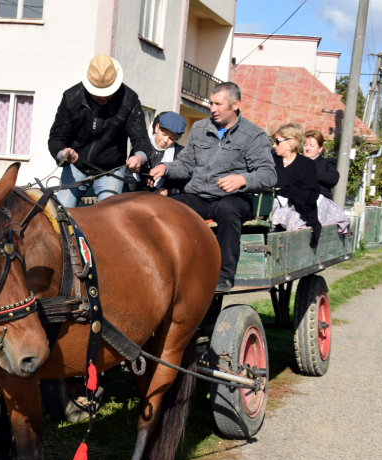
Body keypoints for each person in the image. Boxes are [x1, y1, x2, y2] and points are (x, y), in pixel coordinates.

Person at [148, 82, 276, 292]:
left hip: (234, 199)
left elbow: (268, 174)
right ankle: (173, 268)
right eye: (211, 103)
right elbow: (186, 164)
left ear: (235, 105)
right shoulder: (199, 128)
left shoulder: (254, 135)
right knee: (167, 207)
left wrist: (242, 180)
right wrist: (166, 168)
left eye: (218, 104)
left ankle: (224, 275)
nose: (213, 109)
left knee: (227, 209)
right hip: (199, 195)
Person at [48, 54, 152, 208]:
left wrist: (139, 157)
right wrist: (63, 154)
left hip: (111, 169)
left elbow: (141, 139)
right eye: (98, 92)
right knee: (62, 213)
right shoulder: (71, 97)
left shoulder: (130, 99)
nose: (103, 97)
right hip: (76, 166)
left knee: (109, 216)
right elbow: (56, 138)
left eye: (107, 92)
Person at [269, 124, 322, 243]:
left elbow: (310, 194)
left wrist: (284, 191)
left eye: (277, 142)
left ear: (291, 142)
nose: (274, 145)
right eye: (273, 142)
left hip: (299, 211)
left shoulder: (307, 165)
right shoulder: (270, 162)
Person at [136, 112, 186, 194]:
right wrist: (140, 186)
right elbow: (129, 174)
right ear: (156, 128)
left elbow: (182, 183)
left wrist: (168, 191)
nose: (165, 140)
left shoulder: (180, 153)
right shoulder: (142, 145)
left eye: (171, 139)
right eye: (163, 134)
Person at [303, 130, 340, 198]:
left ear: (320, 149)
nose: (308, 148)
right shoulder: (297, 162)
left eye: (312, 146)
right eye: (305, 145)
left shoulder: (327, 163)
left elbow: (333, 179)